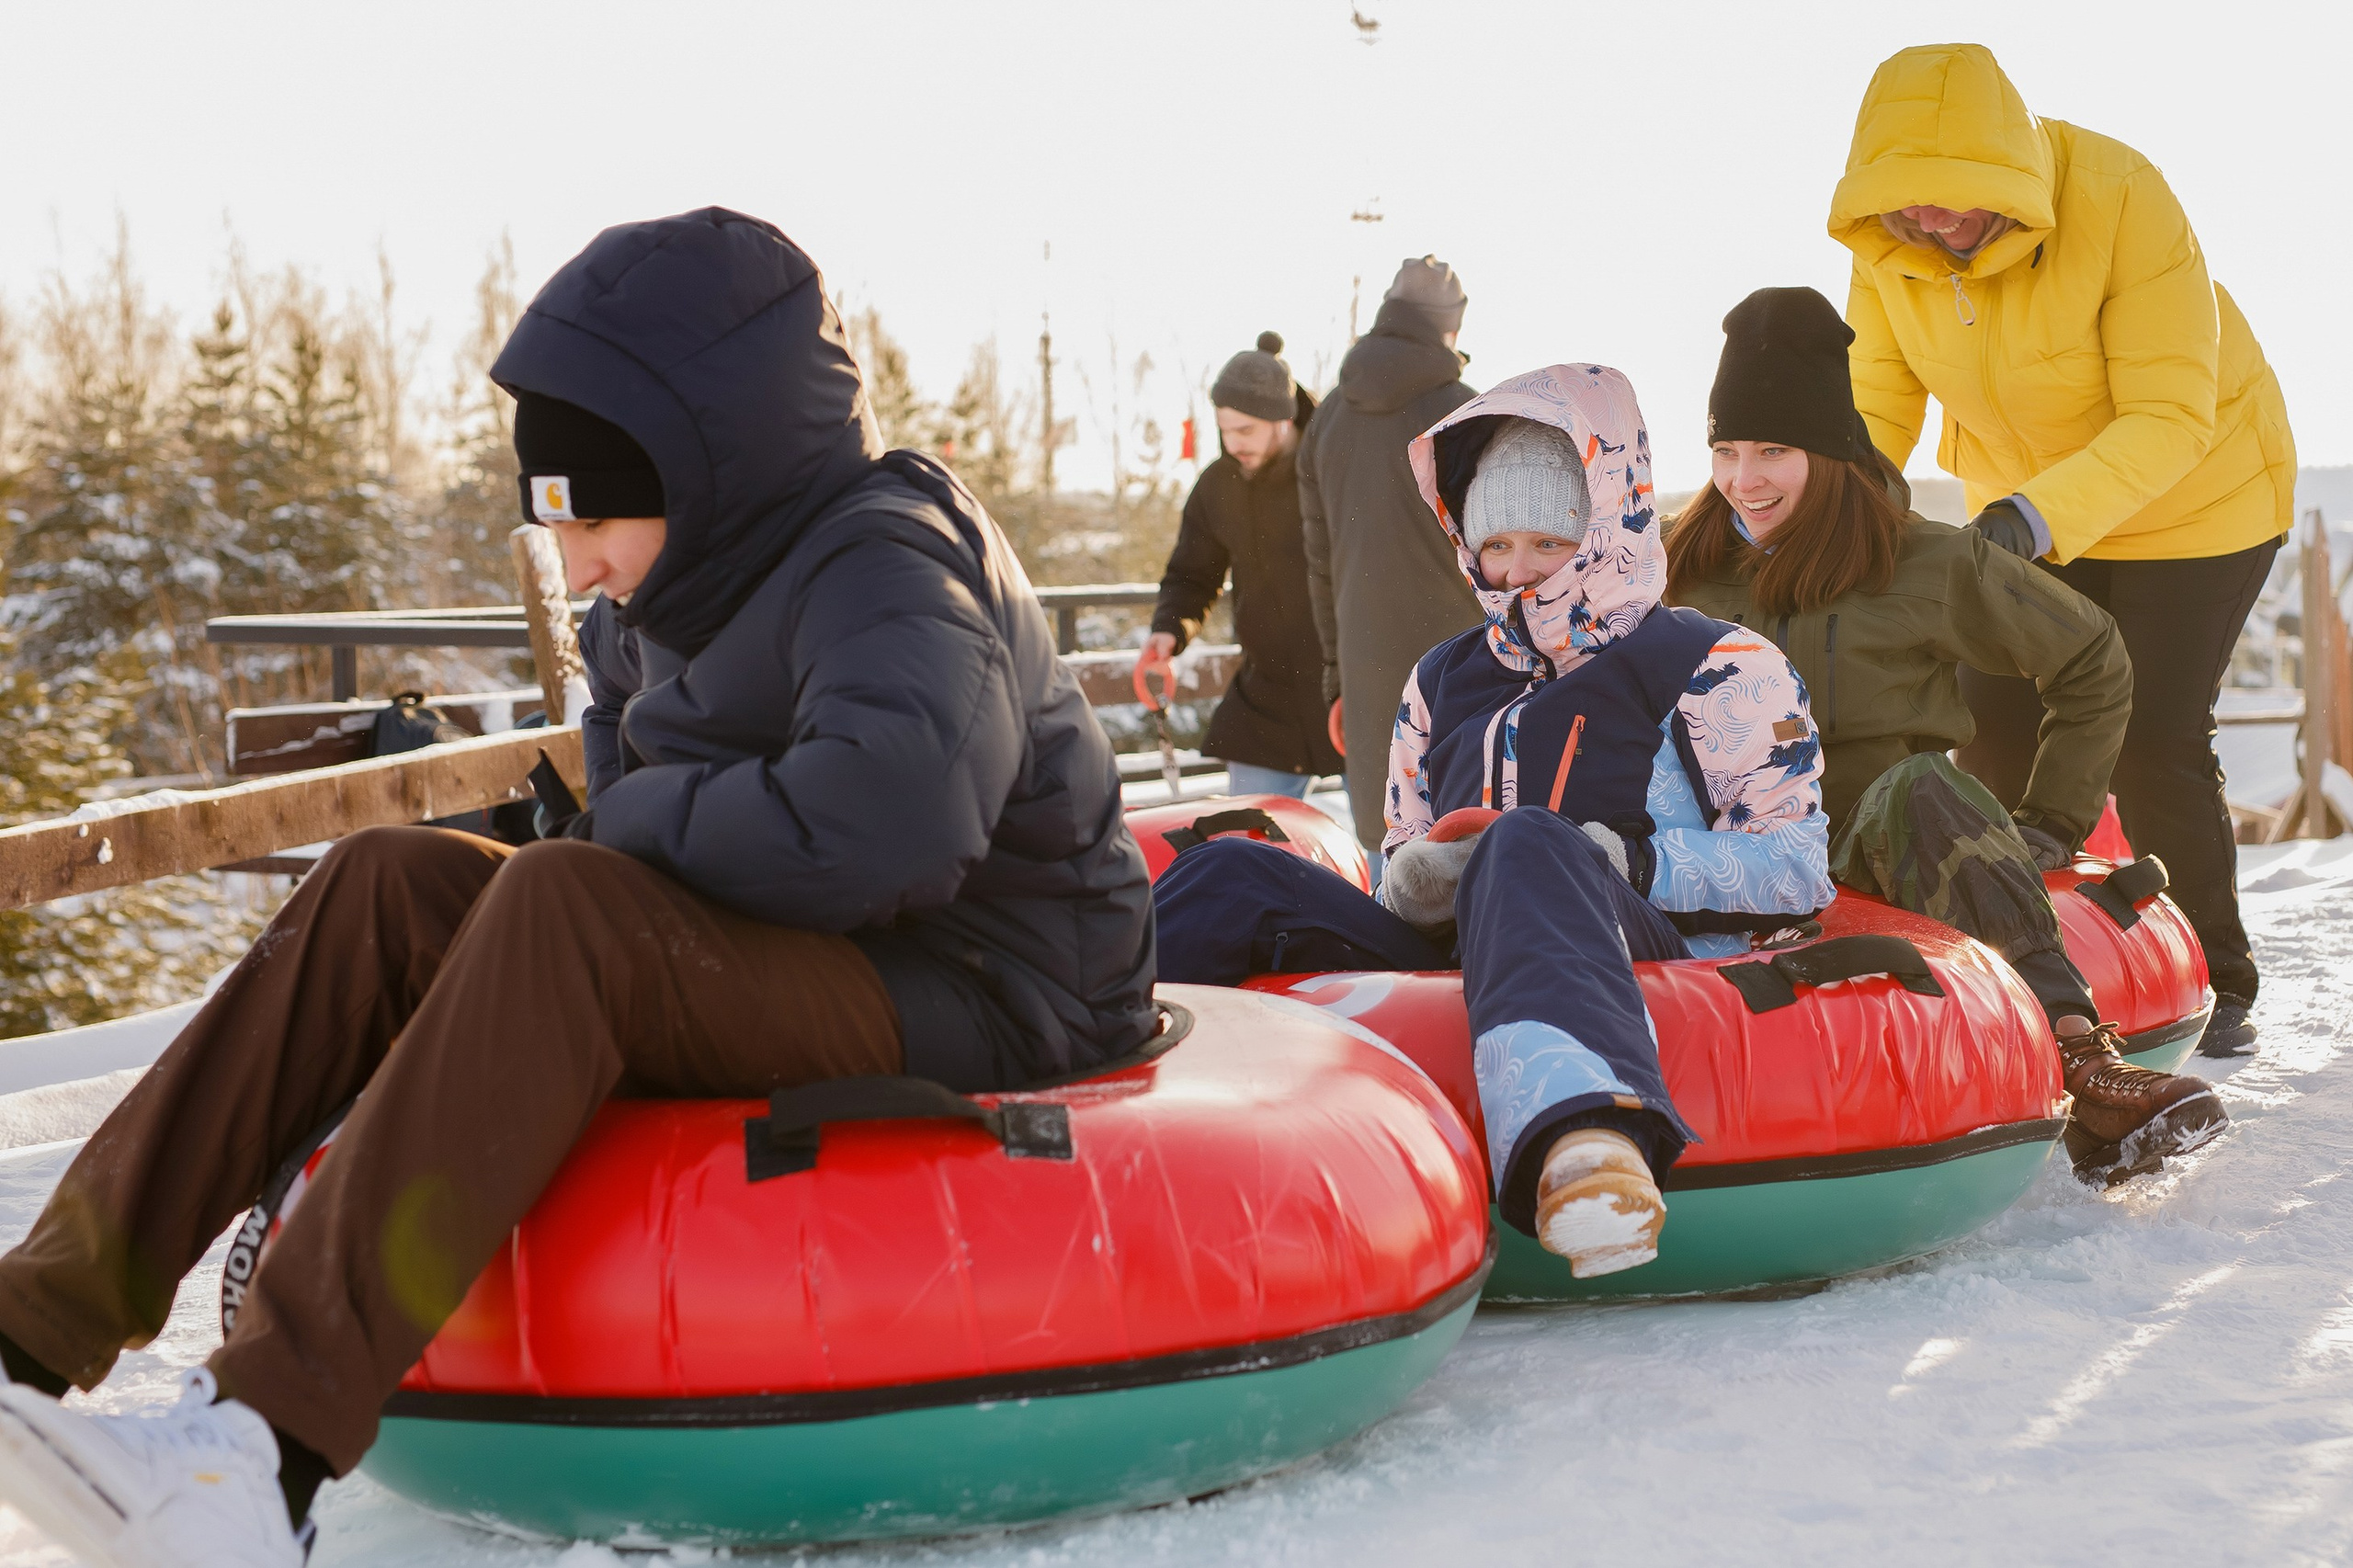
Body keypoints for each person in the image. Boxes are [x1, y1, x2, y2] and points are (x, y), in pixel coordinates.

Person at [0, 209, 1156, 1568]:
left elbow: (886, 828)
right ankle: (34, 1327)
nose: (575, 561)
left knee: (561, 900)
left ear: (712, 469)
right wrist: (624, 828)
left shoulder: (889, 560)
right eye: (552, 518)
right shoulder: (651, 605)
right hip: (811, 945)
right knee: (388, 879)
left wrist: (637, 821)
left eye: (598, 514)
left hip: (988, 979)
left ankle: (259, 1455)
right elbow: (638, 827)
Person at [1157, 365, 1833, 1278]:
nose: (1514, 572)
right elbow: (1403, 837)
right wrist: (1412, 876)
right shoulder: (1440, 678)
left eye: (1548, 541)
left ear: (1606, 529)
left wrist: (1624, 858)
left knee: (1528, 838)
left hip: (1649, 954)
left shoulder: (1712, 663)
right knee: (1232, 874)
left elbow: (1793, 865)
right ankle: (1066, 1080)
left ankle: (1586, 1142)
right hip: (1460, 957)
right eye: (1495, 542)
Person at [1666, 285, 2226, 1184]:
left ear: (1832, 450)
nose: (1745, 478)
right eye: (1726, 450)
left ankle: (2082, 1059)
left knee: (1920, 784)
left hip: (1873, 851)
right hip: (1716, 856)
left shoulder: (1918, 560)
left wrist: (2051, 819)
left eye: (1773, 449)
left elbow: (2091, 657)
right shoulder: (1675, 567)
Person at [1830, 42, 2297, 1059]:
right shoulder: (1890, 244)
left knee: (2151, 731)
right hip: (2029, 502)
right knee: (1991, 718)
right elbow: (1875, 398)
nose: (1934, 223)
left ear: (2008, 174)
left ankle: (2215, 976)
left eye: (1957, 200)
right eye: (1911, 204)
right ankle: (2023, 964)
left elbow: (2169, 410)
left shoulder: (2122, 196)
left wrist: (2027, 518)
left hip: (2199, 494)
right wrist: (1842, 512)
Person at [1299, 256, 1482, 858]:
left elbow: (1320, 568)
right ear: (1449, 329)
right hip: (1467, 689)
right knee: (1476, 882)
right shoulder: (1469, 416)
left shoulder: (1326, 418)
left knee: (1391, 879)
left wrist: (1336, 683)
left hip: (1371, 691)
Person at [1135, 332, 1340, 796]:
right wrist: (1170, 628)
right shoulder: (1218, 484)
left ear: (1282, 420)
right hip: (1266, 696)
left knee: (1388, 847)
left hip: (1346, 690)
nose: (1232, 443)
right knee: (1249, 850)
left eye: (1245, 430)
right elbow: (1193, 572)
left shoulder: (1329, 474)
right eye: (1224, 429)